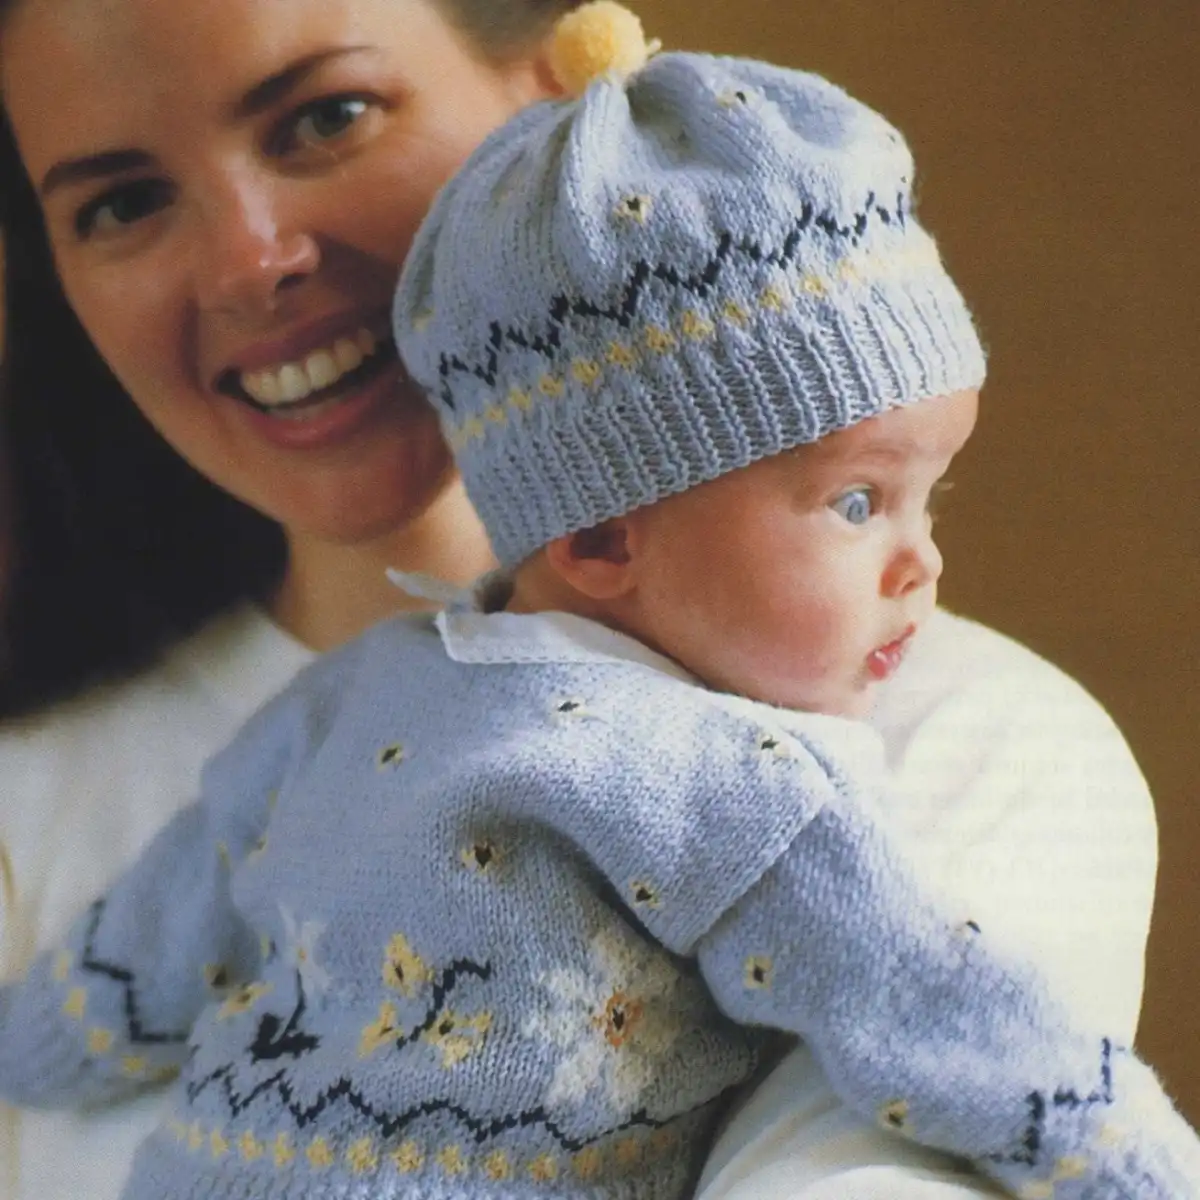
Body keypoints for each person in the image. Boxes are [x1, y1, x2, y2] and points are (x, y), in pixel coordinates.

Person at [1, 6, 1192, 1196]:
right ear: (602, 535)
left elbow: (922, 1000)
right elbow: (936, 1014)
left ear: (543, 82)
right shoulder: (707, 778)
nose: (249, 260)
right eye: (853, 502)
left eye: (326, 117)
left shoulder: (950, 756)